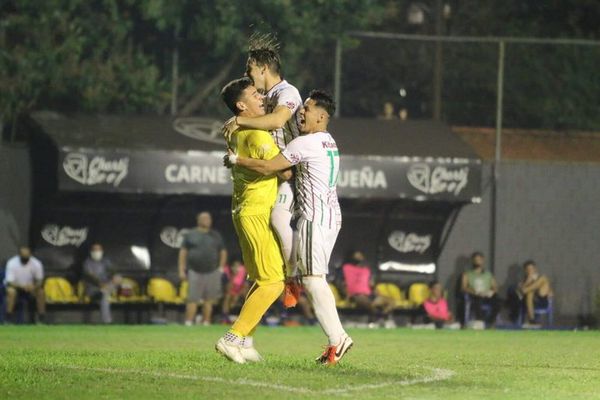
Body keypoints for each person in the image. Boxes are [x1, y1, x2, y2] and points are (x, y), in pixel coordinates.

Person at [227, 90, 354, 365]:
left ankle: (338, 338)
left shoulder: (304, 144)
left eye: (307, 109)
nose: (301, 113)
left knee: (313, 279)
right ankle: (332, 335)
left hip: (314, 219)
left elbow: (269, 167)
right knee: (313, 274)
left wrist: (237, 160)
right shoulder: (328, 141)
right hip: (332, 216)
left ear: (321, 116)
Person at [215, 77, 288, 364]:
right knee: (274, 282)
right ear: (241, 105)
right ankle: (232, 337)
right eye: (254, 94)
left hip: (245, 211)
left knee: (262, 279)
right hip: (256, 212)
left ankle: (245, 341)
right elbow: (282, 171)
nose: (262, 97)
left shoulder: (236, 129)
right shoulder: (257, 136)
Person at [222, 33, 302, 276]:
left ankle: (294, 274)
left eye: (250, 70)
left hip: (296, 172)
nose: (247, 75)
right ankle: (277, 270)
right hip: (279, 170)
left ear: (264, 68)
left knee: (279, 219)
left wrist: (239, 119)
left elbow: (277, 120)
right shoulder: (264, 98)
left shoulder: (287, 93)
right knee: (271, 223)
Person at [179, 211, 228, 326]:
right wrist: (181, 269)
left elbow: (223, 252)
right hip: (194, 271)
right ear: (199, 220)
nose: (207, 220)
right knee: (192, 298)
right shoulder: (191, 234)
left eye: (209, 218)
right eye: (205, 218)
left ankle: (206, 322)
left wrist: (221, 268)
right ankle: (188, 322)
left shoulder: (215, 235)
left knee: (209, 299)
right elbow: (183, 252)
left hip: (212, 271)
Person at [341, 250, 395, 327]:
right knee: (367, 302)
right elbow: (342, 284)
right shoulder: (346, 269)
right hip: (356, 296)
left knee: (391, 302)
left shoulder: (366, 270)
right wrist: (346, 293)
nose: (358, 258)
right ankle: (376, 320)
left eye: (360, 256)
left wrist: (374, 288)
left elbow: (371, 284)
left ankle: (383, 317)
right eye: (356, 256)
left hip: (370, 295)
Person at [4, 246, 45, 323]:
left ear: (30, 255)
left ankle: (41, 319)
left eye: (27, 257)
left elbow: (39, 280)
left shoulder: (36, 263)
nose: (25, 259)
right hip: (16, 287)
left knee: (41, 292)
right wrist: (22, 287)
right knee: (11, 292)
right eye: (23, 257)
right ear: (19, 255)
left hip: (31, 288)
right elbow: (9, 282)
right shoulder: (12, 263)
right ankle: (8, 318)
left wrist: (34, 286)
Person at [82, 243, 121, 324]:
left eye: (98, 250)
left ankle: (104, 291)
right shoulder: (87, 263)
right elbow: (90, 277)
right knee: (105, 297)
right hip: (93, 290)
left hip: (106, 288)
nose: (97, 252)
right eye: (95, 250)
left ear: (102, 251)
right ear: (91, 251)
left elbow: (113, 271)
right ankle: (107, 322)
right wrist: (101, 284)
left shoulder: (105, 261)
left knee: (118, 278)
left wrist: (115, 277)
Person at [461, 251, 500, 327]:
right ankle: (480, 321)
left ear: (482, 260)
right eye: (475, 260)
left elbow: (495, 287)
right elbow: (463, 287)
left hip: (487, 295)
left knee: (498, 302)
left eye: (479, 260)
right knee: (477, 300)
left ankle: (490, 321)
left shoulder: (488, 274)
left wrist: (490, 292)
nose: (477, 262)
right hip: (475, 295)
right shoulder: (467, 274)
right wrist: (476, 292)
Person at [518, 260, 553, 327]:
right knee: (530, 293)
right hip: (529, 303)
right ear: (525, 271)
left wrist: (550, 291)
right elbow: (519, 292)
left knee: (543, 278)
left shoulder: (541, 278)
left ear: (535, 269)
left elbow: (550, 292)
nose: (530, 271)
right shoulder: (523, 281)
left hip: (542, 300)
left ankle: (527, 290)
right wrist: (528, 281)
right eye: (528, 269)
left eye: (532, 269)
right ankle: (532, 320)